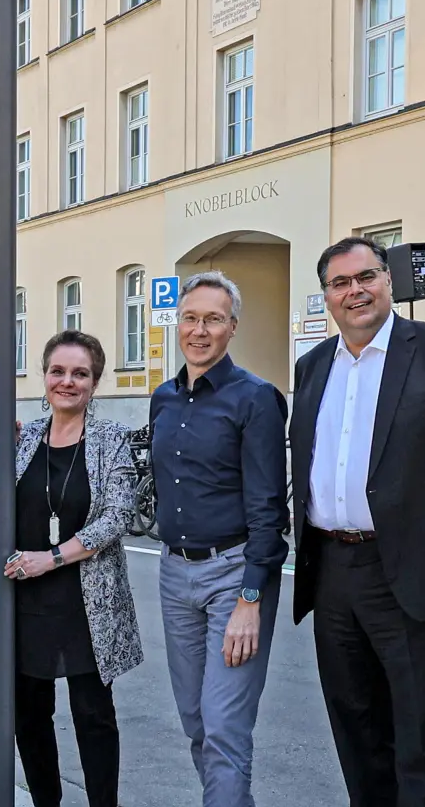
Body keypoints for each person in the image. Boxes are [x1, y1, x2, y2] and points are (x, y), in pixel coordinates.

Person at [290, 237, 425, 806]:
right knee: (357, 729)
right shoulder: (311, 368)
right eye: (340, 283)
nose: (354, 291)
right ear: (327, 297)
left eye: (366, 277)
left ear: (388, 281)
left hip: (412, 570)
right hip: (333, 571)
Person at [148, 270, 288, 807]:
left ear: (232, 327)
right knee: (197, 723)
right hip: (173, 573)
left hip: (233, 576)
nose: (199, 330)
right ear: (177, 324)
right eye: (190, 318)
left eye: (212, 319)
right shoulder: (162, 399)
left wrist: (251, 598)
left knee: (225, 727)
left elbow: (268, 508)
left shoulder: (254, 399)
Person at [5, 330, 144, 807]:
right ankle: (47, 800)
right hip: (25, 599)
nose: (67, 382)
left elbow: (120, 514)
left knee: (94, 716)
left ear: (95, 382)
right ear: (44, 376)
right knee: (29, 715)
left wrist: (54, 556)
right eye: (58, 371)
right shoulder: (22, 439)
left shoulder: (109, 439)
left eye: (79, 373)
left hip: (87, 601)